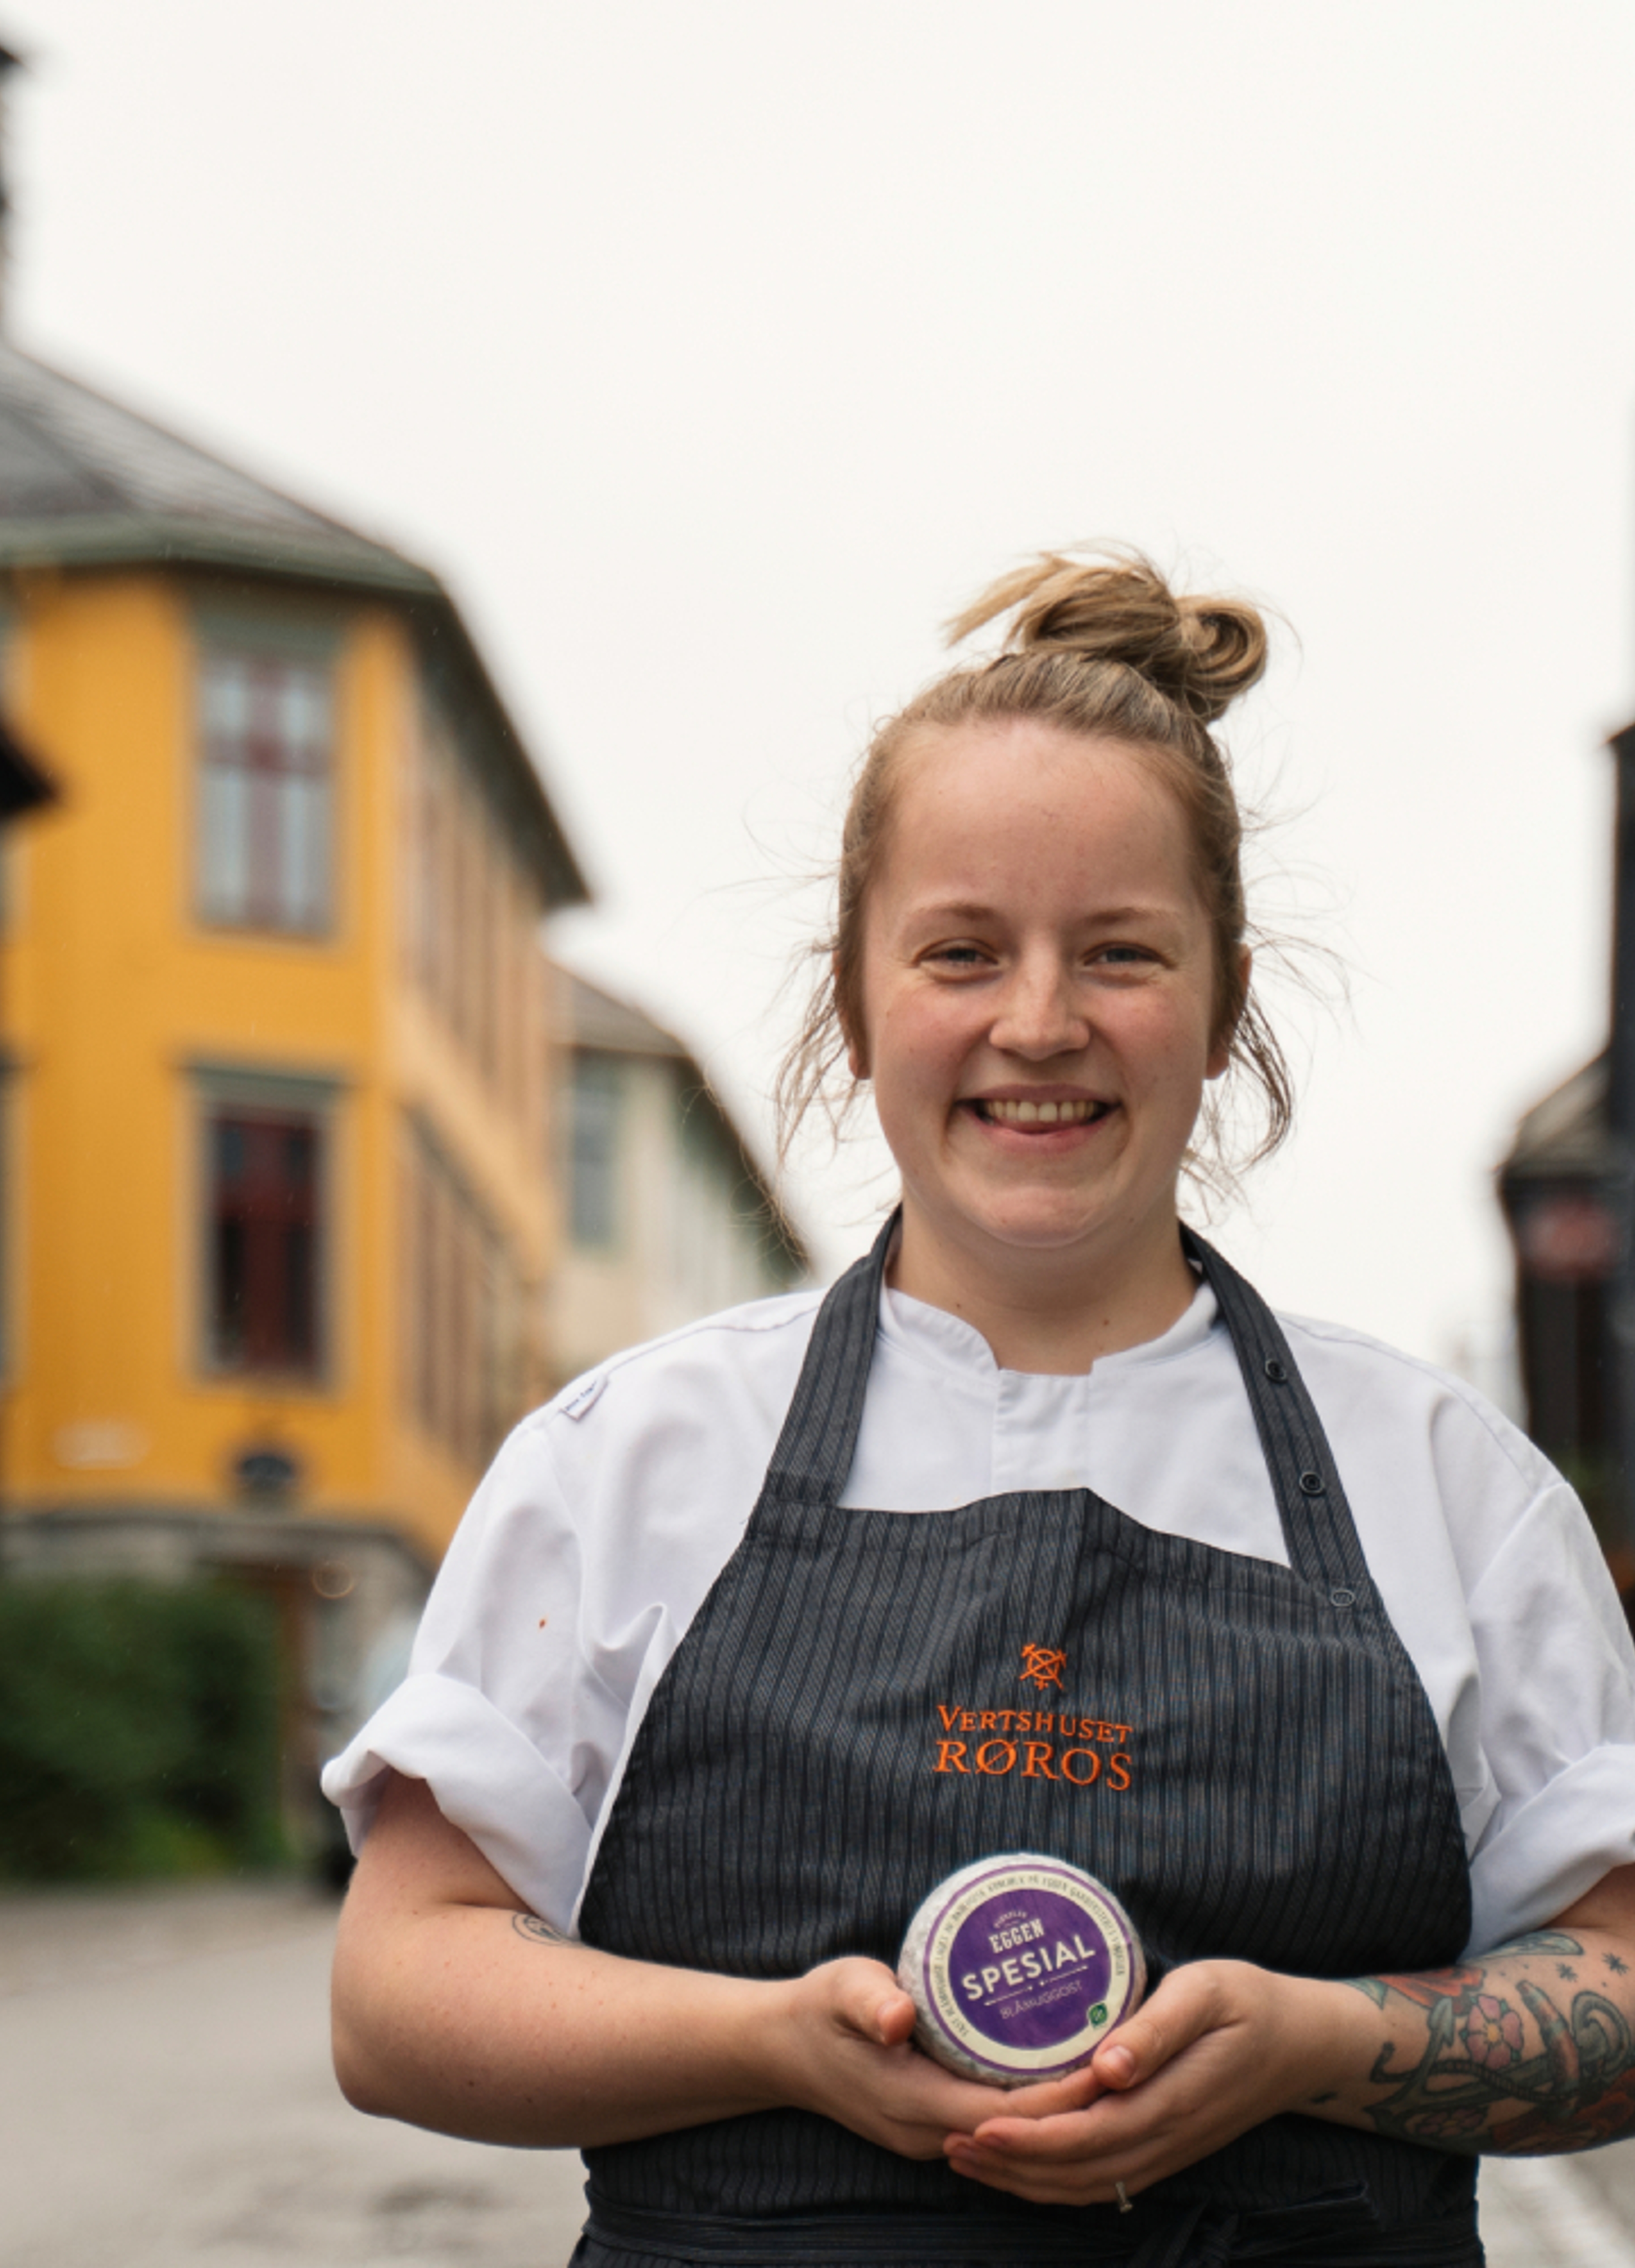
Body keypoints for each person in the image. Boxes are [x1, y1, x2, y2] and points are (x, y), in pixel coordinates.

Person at [324, 552, 1635, 2268]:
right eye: (961, 949)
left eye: (1119, 951)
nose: (1039, 1021)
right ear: (856, 996)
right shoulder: (633, 1458)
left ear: (1226, 998)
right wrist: (768, 2037)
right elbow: (399, 1987)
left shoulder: (1450, 1484)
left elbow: (1616, 1973)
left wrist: (1329, 2042)